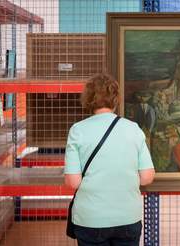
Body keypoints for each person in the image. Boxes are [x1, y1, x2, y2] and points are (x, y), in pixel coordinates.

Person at [64, 73, 155, 246]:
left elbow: (73, 182)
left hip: (90, 219)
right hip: (128, 217)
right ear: (115, 99)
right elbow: (147, 177)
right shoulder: (133, 129)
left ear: (88, 99)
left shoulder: (78, 131)